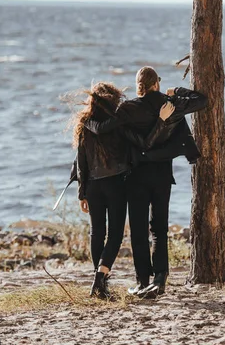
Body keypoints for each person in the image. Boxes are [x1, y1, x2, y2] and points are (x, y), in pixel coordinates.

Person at [85, 66, 207, 298]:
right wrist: (176, 90)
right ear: (156, 83)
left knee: (139, 231)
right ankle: (160, 278)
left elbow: (105, 129)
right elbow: (201, 100)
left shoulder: (128, 108)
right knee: (159, 229)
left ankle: (142, 281)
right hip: (162, 176)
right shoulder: (170, 104)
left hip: (135, 176)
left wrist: (86, 121)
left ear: (139, 85)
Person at [72, 82, 174, 299]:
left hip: (92, 185)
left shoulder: (83, 124)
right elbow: (134, 147)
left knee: (96, 233)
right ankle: (100, 278)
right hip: (116, 184)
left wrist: (82, 192)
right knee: (115, 235)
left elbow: (81, 161)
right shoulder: (116, 124)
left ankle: (100, 282)